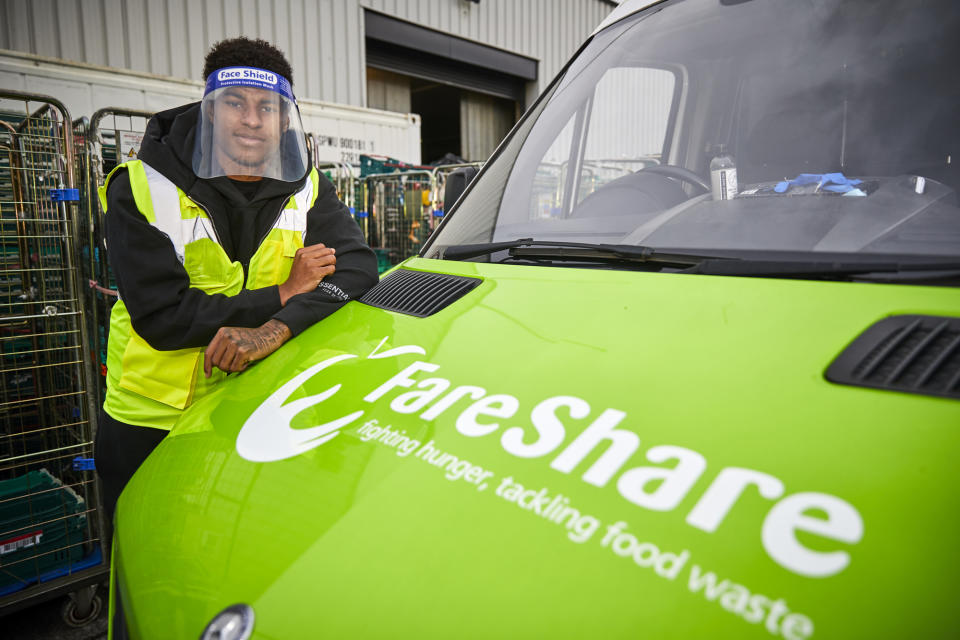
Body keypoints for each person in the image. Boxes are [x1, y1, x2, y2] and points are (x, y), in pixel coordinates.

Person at [94, 37, 379, 523]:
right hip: (151, 419)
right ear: (208, 112)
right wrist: (283, 294)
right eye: (235, 102)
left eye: (267, 106)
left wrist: (275, 329)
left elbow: (357, 268)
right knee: (139, 547)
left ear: (285, 119)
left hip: (250, 407)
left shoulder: (306, 185)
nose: (252, 119)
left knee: (228, 539)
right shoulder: (141, 186)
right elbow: (162, 317)